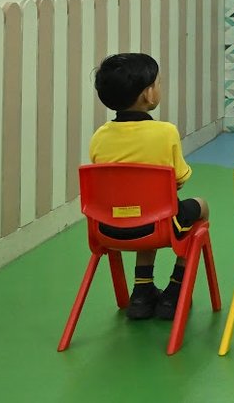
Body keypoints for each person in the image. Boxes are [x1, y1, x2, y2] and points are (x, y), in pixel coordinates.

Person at [88, 52, 210, 321]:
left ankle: (141, 292)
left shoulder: (99, 136)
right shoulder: (165, 132)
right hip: (156, 225)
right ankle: (176, 289)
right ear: (148, 94)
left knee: (144, 208)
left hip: (108, 229)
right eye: (158, 83)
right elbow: (180, 178)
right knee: (198, 207)